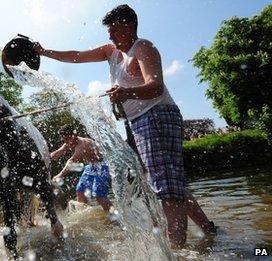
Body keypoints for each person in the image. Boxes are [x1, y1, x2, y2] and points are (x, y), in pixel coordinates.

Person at [34, 4, 216, 249]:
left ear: (129, 26)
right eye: (109, 31)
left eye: (115, 30)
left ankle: (177, 249)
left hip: (157, 115)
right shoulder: (111, 51)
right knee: (167, 181)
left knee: (164, 185)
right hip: (138, 122)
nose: (110, 35)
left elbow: (156, 86)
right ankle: (208, 229)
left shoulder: (143, 47)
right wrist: (44, 52)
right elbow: (76, 55)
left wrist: (126, 92)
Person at [50, 125, 113, 212]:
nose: (68, 142)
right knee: (80, 191)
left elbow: (72, 161)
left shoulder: (82, 144)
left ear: (75, 135)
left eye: (68, 138)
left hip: (102, 166)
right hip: (91, 166)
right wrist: (46, 157)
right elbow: (57, 153)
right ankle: (85, 215)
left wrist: (60, 175)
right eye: (65, 140)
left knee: (99, 195)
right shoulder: (69, 142)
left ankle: (114, 217)